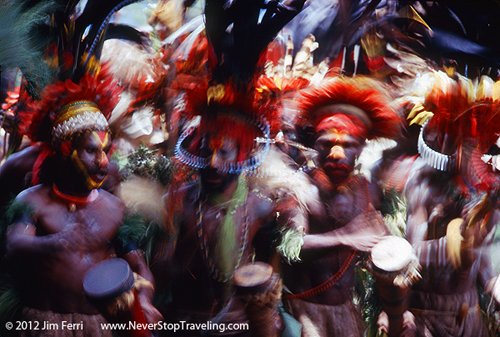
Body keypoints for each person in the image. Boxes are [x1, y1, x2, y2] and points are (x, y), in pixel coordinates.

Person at [4, 74, 161, 337]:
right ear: (65, 150)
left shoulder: (115, 208)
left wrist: (143, 300)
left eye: (106, 151)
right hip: (45, 325)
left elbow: (140, 268)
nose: (103, 162)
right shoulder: (31, 201)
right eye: (92, 151)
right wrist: (55, 242)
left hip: (97, 327)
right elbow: (15, 244)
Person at [280, 76, 401, 337]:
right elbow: (291, 247)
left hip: (347, 312)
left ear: (361, 148)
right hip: (305, 315)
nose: (336, 154)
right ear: (315, 145)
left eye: (347, 145)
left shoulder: (369, 189)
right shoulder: (299, 188)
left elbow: (381, 248)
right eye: (327, 144)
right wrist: (346, 237)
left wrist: (386, 306)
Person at [403, 73, 499, 337]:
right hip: (424, 315)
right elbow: (411, 255)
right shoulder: (424, 182)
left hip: (466, 313)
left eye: (476, 144)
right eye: (461, 141)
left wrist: (495, 286)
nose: (469, 151)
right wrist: (453, 246)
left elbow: (487, 266)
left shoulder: (488, 190)